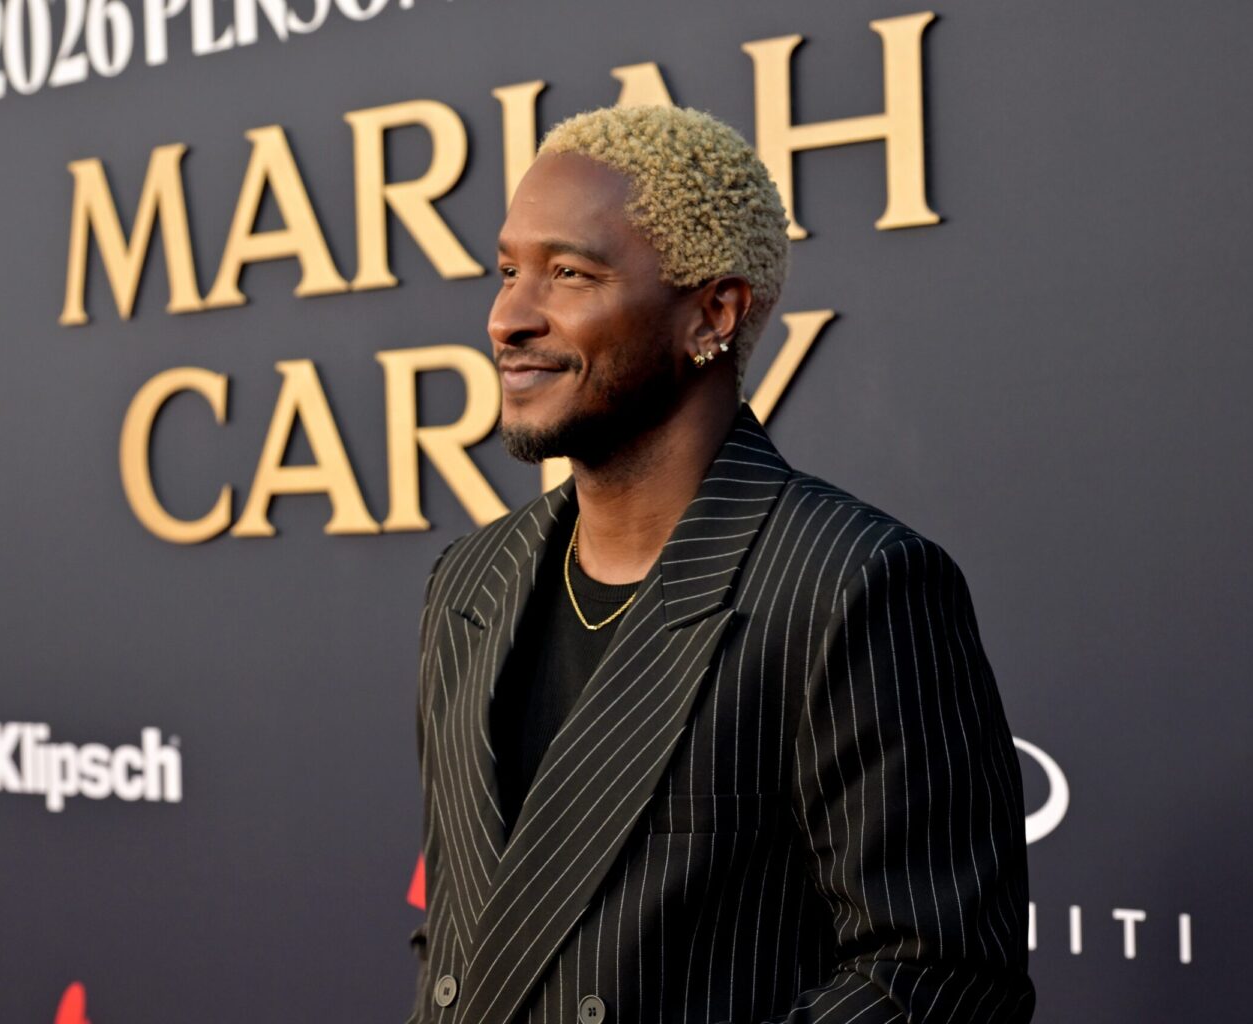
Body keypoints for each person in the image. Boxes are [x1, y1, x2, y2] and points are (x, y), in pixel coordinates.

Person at [407, 104, 1034, 1024]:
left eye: (569, 273)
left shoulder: (850, 584)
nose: (507, 317)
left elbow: (938, 980)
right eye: (508, 270)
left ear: (713, 312)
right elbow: (461, 941)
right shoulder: (469, 584)